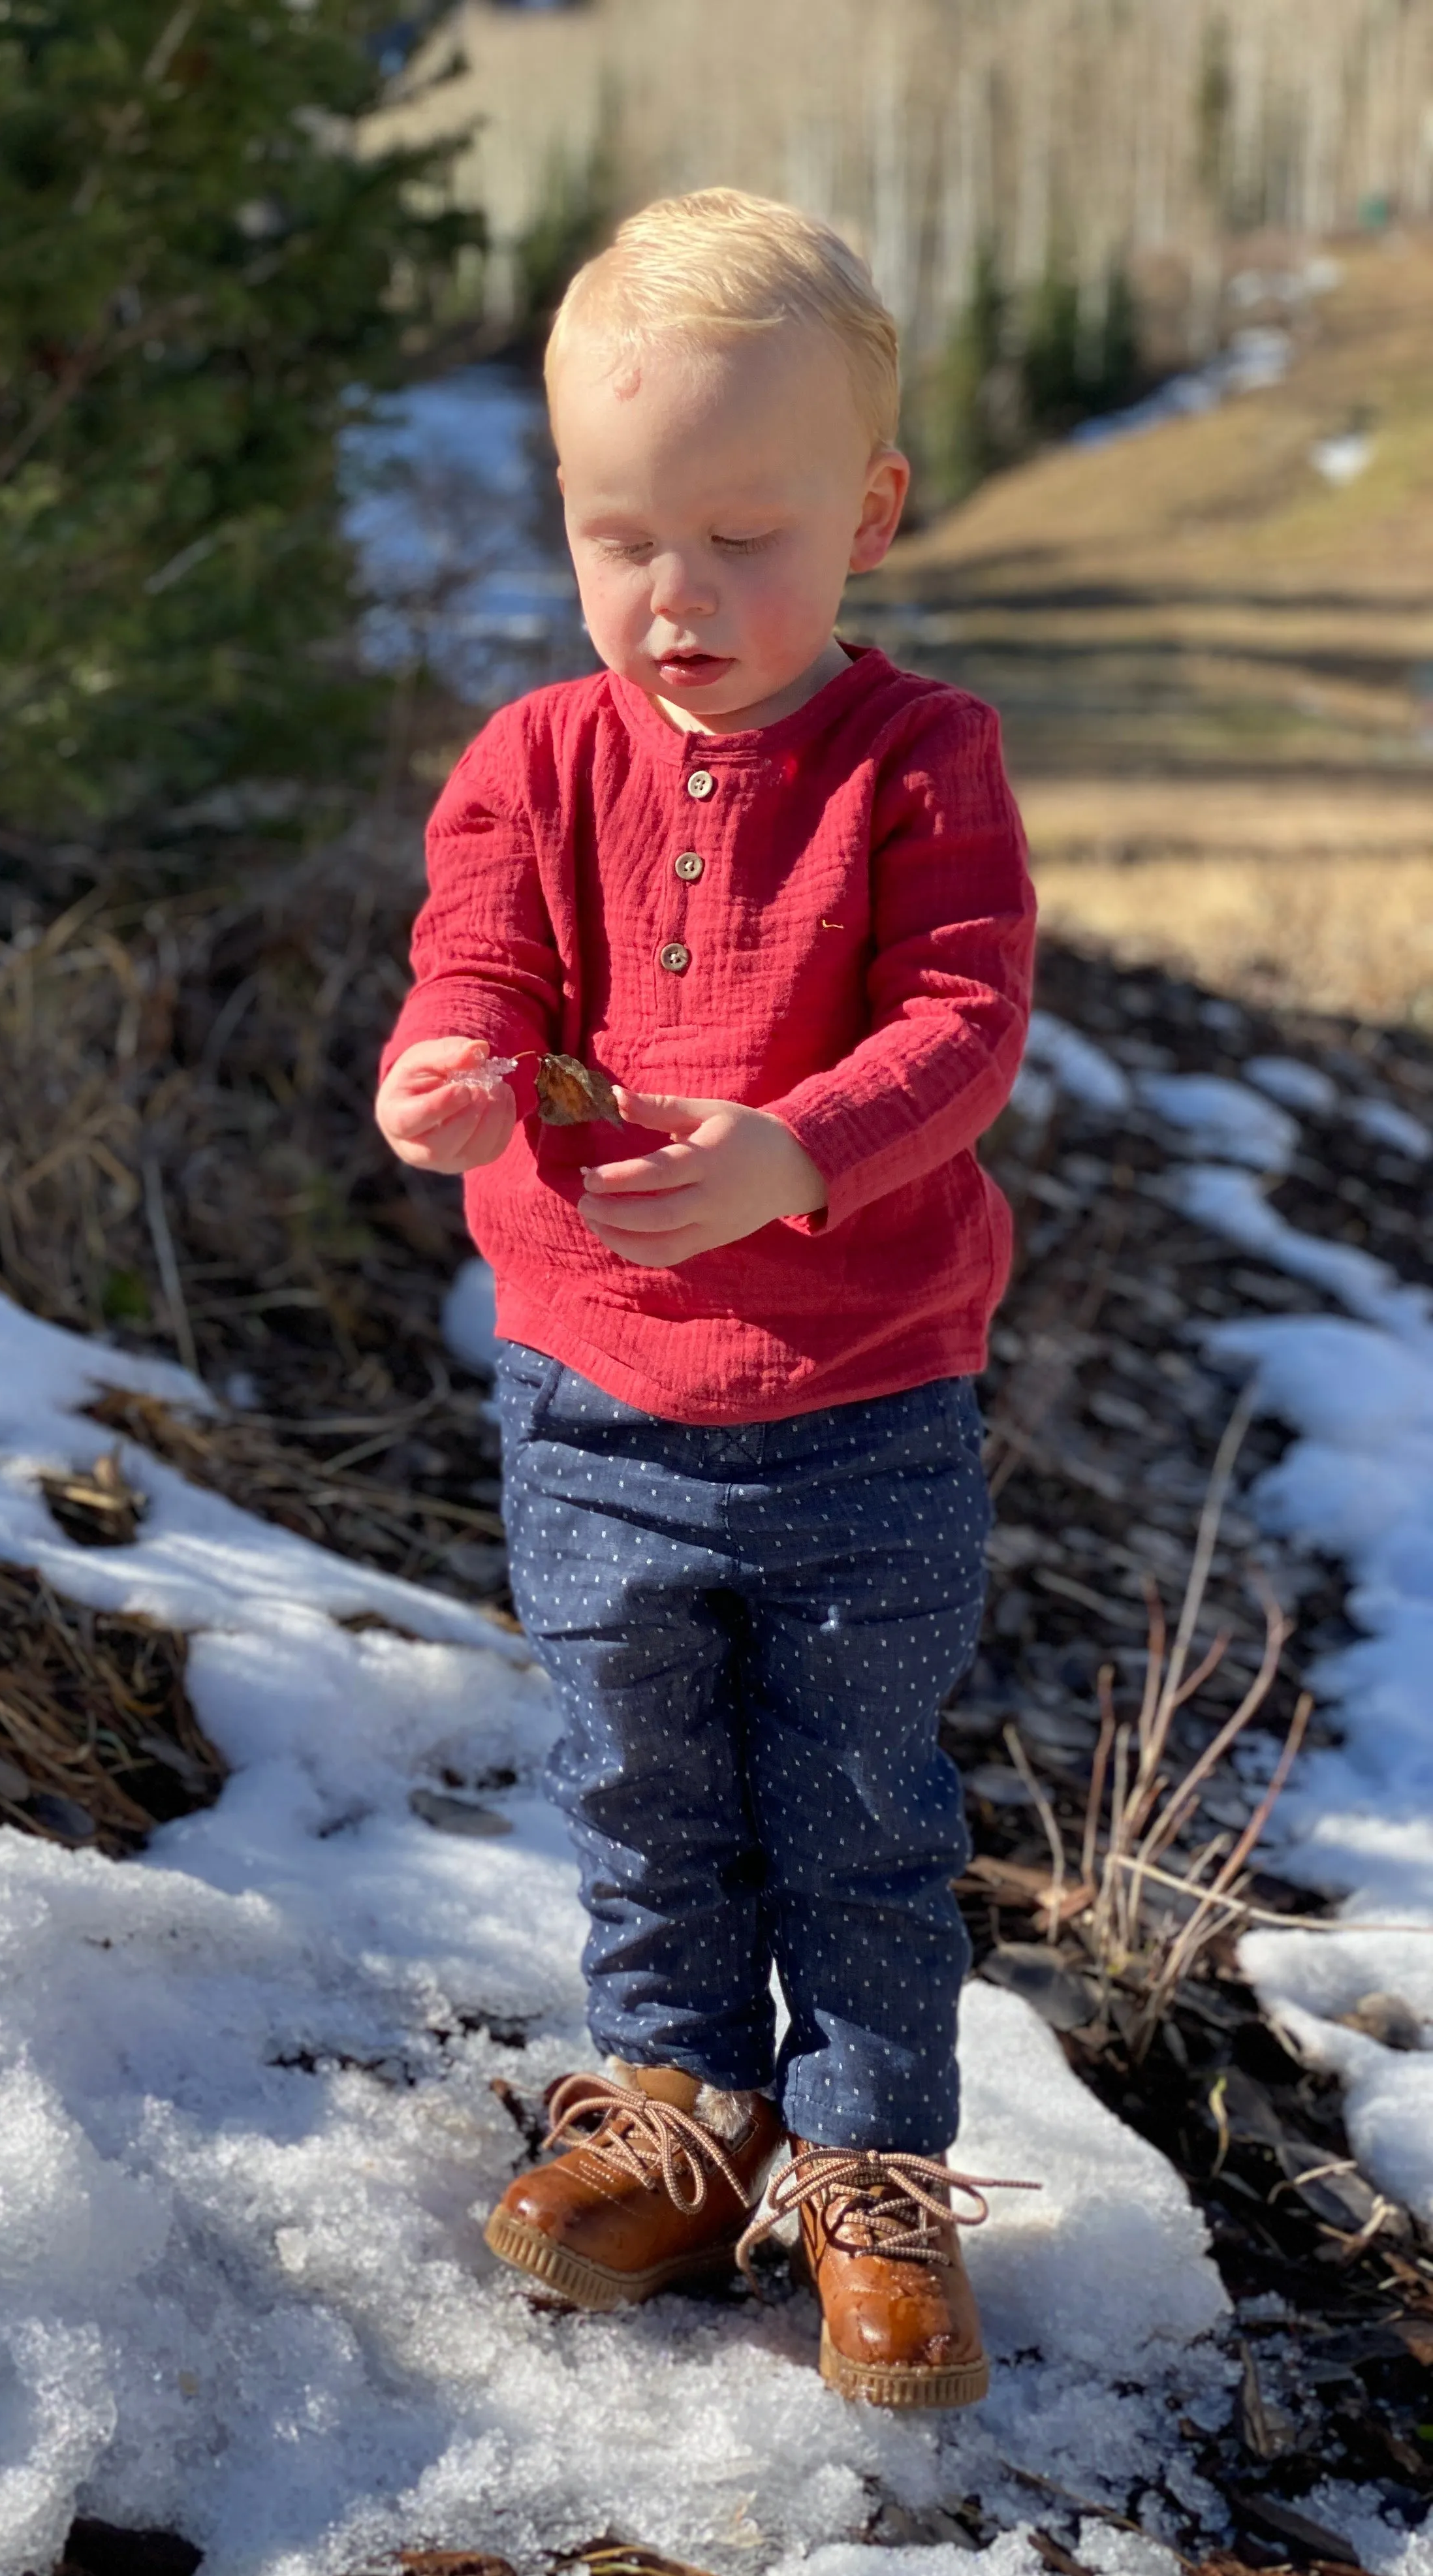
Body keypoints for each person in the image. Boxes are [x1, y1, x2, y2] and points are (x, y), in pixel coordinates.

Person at [375, 189, 1034, 2409]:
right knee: (640, 1781)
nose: (679, 600)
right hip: (591, 1400)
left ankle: (865, 2166)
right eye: (621, 534)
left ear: (869, 511)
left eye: (746, 539)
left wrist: (798, 1149)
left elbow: (966, 1017)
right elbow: (479, 958)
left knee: (856, 1798)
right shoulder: (539, 762)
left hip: (862, 1404)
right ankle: (679, 2107)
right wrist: (449, 1075)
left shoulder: (919, 759)